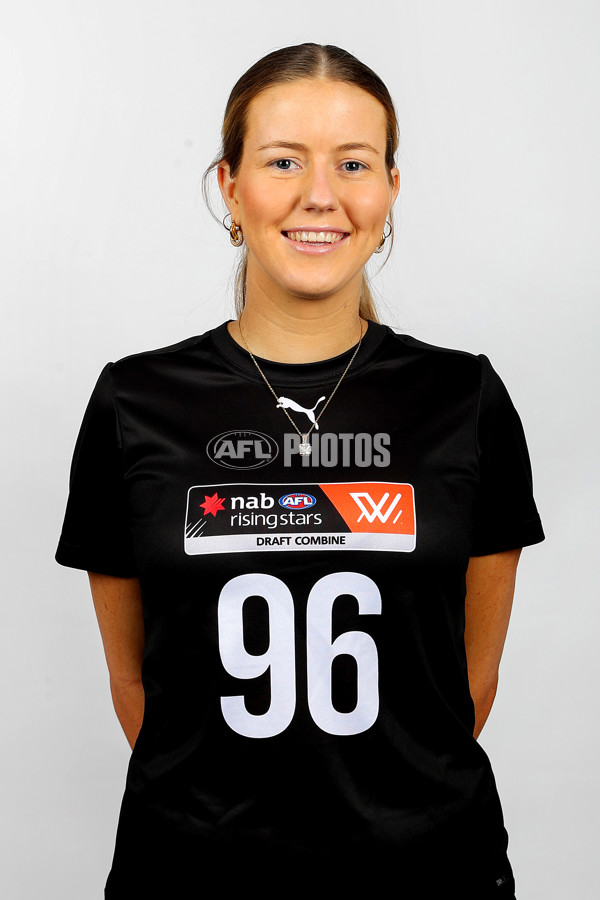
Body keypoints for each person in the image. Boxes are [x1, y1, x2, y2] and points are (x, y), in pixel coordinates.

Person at [56, 43, 544, 899]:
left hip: (430, 873)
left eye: (353, 163)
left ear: (391, 191)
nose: (320, 194)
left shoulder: (465, 397)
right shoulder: (133, 402)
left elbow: (467, 683)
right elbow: (137, 684)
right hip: (192, 874)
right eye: (283, 161)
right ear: (230, 187)